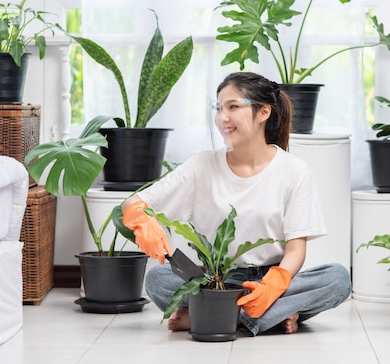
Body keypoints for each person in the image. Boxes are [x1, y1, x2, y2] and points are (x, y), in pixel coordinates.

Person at [122, 72, 351, 335]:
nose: (222, 118)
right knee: (157, 280)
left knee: (337, 278)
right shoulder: (203, 165)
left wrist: (275, 284)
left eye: (233, 107)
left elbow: (296, 249)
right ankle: (268, 316)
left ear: (263, 112)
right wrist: (141, 219)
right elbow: (134, 202)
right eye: (219, 108)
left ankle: (215, 316)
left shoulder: (293, 170)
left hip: (271, 280)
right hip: (215, 280)